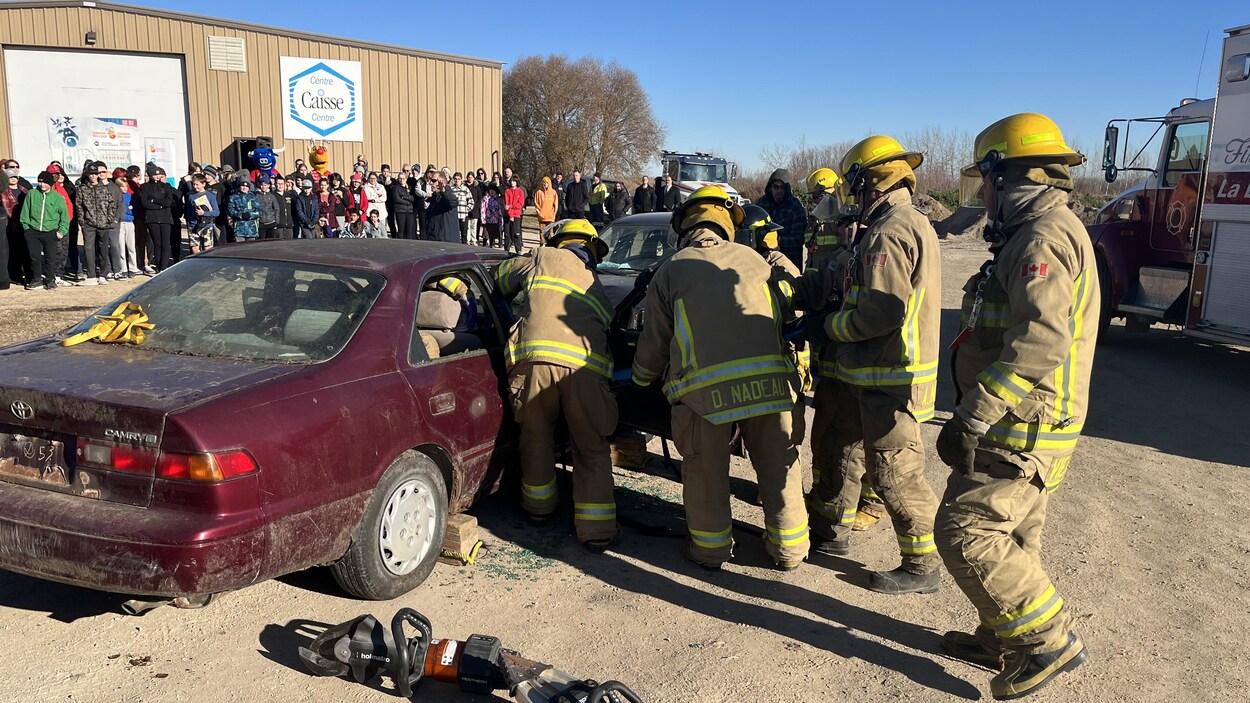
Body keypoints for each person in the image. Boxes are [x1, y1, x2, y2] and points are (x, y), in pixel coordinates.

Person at [933, 113, 1097, 699]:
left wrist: (973, 413)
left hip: (1020, 421)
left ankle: (1045, 641)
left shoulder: (1042, 238)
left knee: (965, 530)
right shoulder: (1042, 230)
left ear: (1007, 177)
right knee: (1018, 532)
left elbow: (1041, 340)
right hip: (1033, 419)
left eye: (986, 181)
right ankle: (1002, 634)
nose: (981, 193)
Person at [630, 186, 809, 572]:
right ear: (727, 224)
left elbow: (655, 342)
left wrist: (641, 379)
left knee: (706, 472)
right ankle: (790, 550)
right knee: (779, 468)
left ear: (684, 227)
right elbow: (786, 317)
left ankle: (710, 551)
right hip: (771, 387)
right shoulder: (756, 261)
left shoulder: (672, 269)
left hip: (702, 396)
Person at [804, 135, 941, 594]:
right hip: (867, 370)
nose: (850, 197)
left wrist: (830, 328)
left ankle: (921, 564)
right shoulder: (899, 222)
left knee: (894, 470)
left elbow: (880, 314)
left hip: (891, 373)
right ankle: (830, 529)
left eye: (854, 186)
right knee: (842, 446)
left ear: (870, 183)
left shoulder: (891, 231)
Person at [495, 219, 619, 551]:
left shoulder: (541, 257)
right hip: (584, 370)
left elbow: (501, 278)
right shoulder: (595, 284)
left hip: (534, 362)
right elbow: (606, 329)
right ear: (590, 249)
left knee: (535, 436)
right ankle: (597, 531)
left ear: (560, 241)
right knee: (590, 446)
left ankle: (539, 508)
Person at [802, 167, 884, 533]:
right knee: (827, 430)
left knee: (865, 440)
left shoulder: (869, 250)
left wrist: (831, 324)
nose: (832, 226)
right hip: (836, 353)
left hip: (867, 359)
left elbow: (874, 312)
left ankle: (871, 502)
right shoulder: (839, 244)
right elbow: (821, 281)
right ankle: (825, 494)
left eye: (839, 223)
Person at [20, 171, 69, 289]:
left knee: (50, 257)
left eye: (45, 182)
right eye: (40, 182)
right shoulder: (32, 194)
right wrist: (27, 229)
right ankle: (36, 279)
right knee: (34, 257)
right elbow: (25, 212)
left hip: (50, 231)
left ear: (51, 184)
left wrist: (61, 231)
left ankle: (50, 279)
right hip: (33, 231)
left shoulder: (57, 197)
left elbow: (64, 217)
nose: (42, 185)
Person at [75, 162, 121, 285]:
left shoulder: (105, 188)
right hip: (89, 224)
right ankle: (91, 275)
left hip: (103, 224)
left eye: (95, 174)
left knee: (103, 250)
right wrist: (82, 221)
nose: (93, 176)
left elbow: (112, 205)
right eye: (91, 174)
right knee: (89, 250)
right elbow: (79, 206)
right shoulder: (82, 189)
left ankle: (103, 274)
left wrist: (109, 219)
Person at [755, 168, 809, 270]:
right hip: (763, 260)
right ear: (770, 187)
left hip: (789, 261)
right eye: (776, 187)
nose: (779, 190)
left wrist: (776, 240)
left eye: (782, 187)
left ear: (787, 189)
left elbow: (799, 237)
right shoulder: (761, 204)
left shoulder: (795, 206)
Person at [138, 165, 178, 272]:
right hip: (152, 218)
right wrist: (160, 205)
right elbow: (145, 203)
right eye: (154, 174)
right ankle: (159, 266)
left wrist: (154, 200)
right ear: (150, 175)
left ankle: (164, 267)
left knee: (165, 243)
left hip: (166, 218)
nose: (157, 176)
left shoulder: (166, 186)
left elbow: (168, 202)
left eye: (158, 174)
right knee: (157, 244)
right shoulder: (144, 187)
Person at [3, 167, 29, 286]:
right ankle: (16, 276)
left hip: (26, 224)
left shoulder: (24, 190)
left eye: (14, 177)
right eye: (10, 177)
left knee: (26, 250)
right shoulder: (4, 192)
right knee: (15, 251)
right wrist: (19, 219)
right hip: (13, 225)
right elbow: (7, 209)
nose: (13, 179)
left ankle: (28, 274)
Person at [110, 168, 136, 279]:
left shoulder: (130, 196)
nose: (125, 189)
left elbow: (133, 209)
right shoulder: (115, 196)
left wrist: (130, 210)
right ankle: (123, 268)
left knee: (131, 246)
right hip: (120, 223)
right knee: (121, 247)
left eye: (126, 186)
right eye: (122, 186)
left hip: (129, 222)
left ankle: (133, 267)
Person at [184, 173, 219, 253]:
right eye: (193, 184)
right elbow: (188, 211)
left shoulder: (210, 196)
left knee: (208, 248)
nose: (195, 186)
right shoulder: (190, 196)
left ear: (203, 184)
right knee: (194, 248)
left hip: (206, 225)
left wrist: (204, 213)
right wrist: (189, 222)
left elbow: (216, 212)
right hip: (193, 225)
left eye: (197, 184)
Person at [424, 175, 461, 243]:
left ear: (442, 183)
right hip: (434, 238)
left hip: (446, 239)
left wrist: (444, 190)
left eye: (434, 181)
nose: (431, 183)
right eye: (431, 180)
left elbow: (453, 202)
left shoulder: (448, 195)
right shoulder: (434, 197)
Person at [449, 172, 475, 245]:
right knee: (455, 234)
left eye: (459, 179)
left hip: (463, 216)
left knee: (464, 234)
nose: (457, 181)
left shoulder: (465, 189)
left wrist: (466, 210)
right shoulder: (451, 190)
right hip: (454, 216)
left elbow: (471, 202)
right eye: (455, 179)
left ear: (461, 180)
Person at [391, 171, 417, 240]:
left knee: (409, 230)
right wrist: (408, 202)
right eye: (400, 178)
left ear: (406, 179)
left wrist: (404, 197)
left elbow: (413, 198)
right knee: (401, 230)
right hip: (400, 210)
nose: (401, 180)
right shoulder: (396, 188)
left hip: (409, 211)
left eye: (403, 178)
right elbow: (397, 199)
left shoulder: (410, 187)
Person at [504, 177, 525, 253]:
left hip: (516, 215)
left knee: (516, 233)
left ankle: (518, 249)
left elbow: (520, 204)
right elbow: (506, 204)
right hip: (507, 215)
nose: (512, 183)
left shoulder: (520, 192)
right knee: (507, 233)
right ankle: (506, 249)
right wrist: (510, 215)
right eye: (511, 181)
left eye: (514, 181)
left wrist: (511, 207)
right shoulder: (507, 191)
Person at [274, 176, 296, 240]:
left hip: (289, 226)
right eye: (278, 184)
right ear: (275, 184)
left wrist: (293, 189)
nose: (280, 186)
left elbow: (295, 206)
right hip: (278, 226)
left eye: (282, 184)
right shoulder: (272, 196)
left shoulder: (289, 195)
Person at [465, 172, 484, 245]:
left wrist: (476, 206)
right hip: (466, 210)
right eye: (469, 177)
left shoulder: (477, 187)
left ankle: (473, 240)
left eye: (471, 177)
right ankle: (468, 240)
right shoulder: (465, 187)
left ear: (474, 178)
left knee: (474, 227)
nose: (470, 179)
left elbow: (480, 198)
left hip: (475, 210)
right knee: (467, 227)